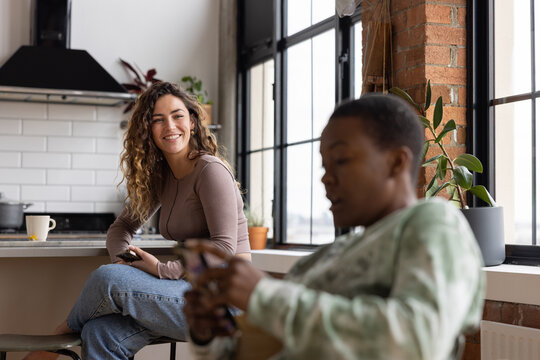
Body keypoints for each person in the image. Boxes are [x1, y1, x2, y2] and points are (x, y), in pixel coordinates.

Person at [184, 94, 486, 359]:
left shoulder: (434, 222)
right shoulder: (325, 258)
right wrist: (207, 335)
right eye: (324, 165)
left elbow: (417, 344)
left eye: (340, 160)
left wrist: (263, 295)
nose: (325, 178)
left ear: (396, 162)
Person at [25, 81, 250, 360]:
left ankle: (54, 341)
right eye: (158, 120)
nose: (170, 126)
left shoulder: (210, 171)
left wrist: (160, 269)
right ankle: (58, 341)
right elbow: (122, 227)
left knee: (108, 278)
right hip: (186, 291)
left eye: (178, 115)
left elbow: (224, 248)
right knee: (98, 331)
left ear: (192, 122)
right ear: (148, 131)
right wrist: (122, 258)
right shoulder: (161, 178)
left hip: (225, 303)